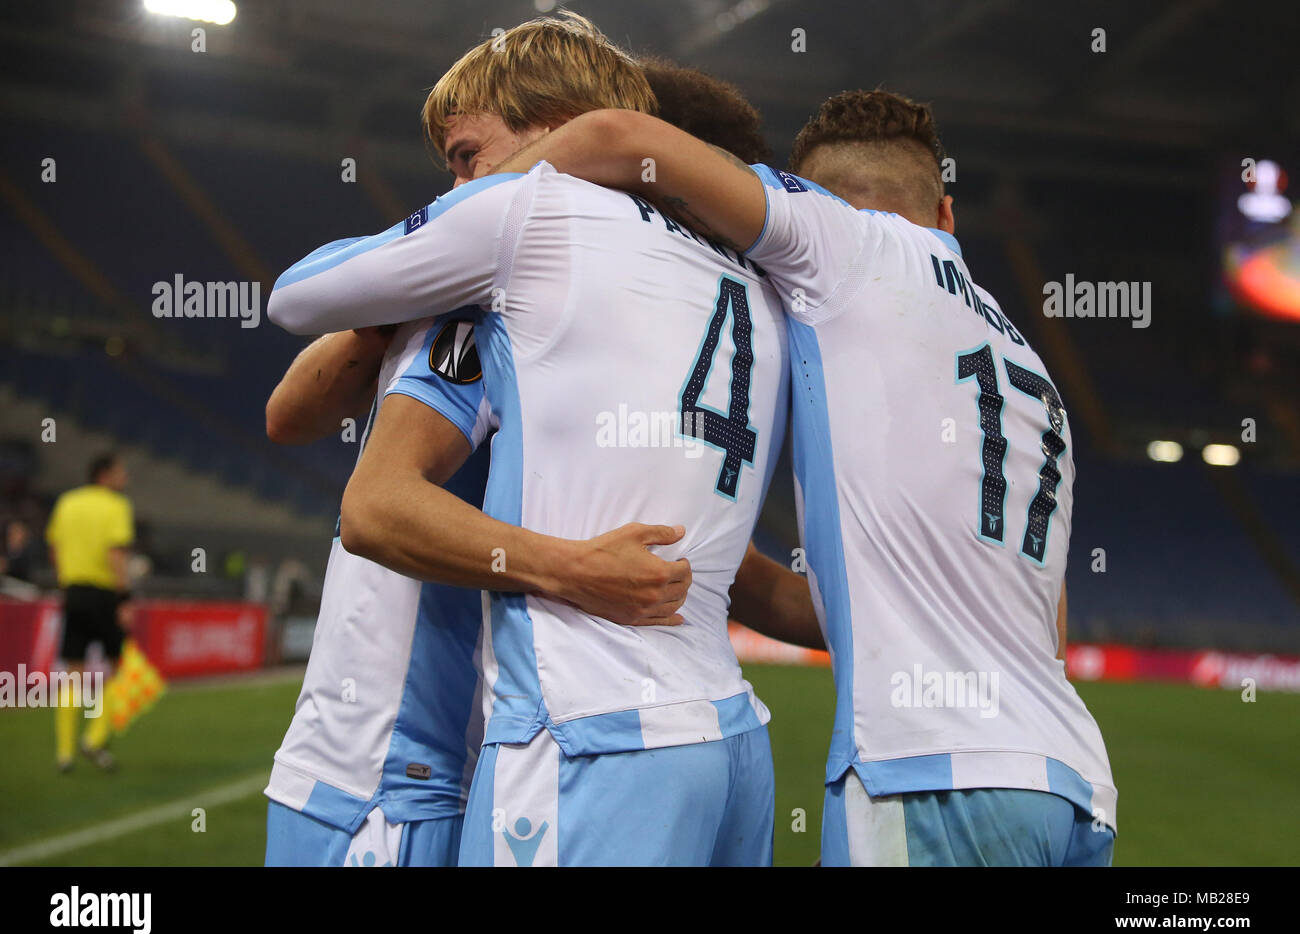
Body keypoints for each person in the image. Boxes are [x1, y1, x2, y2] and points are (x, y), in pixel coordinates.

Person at [491, 89, 1118, 866]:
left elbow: (618, 136)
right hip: (1071, 786)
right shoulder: (1034, 375)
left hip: (930, 778)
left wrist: (467, 217)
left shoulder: (844, 244)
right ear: (948, 215)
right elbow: (1035, 623)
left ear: (815, 204)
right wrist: (700, 566)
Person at [267, 14, 821, 866]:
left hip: (404, 762)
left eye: (468, 155)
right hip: (679, 728)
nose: (461, 187)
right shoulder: (742, 294)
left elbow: (360, 488)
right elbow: (290, 413)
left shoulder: (529, 249)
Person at [45, 452, 133, 772]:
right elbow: (116, 553)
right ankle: (94, 738)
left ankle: (64, 753)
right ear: (105, 475)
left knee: (73, 672)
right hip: (105, 594)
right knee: (116, 666)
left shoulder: (67, 503)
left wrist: (66, 579)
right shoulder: (116, 506)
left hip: (73, 591)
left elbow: (54, 547)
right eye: (122, 472)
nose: (126, 478)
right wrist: (124, 598)